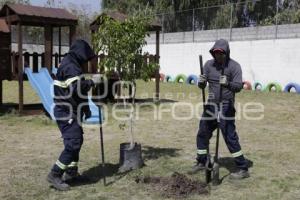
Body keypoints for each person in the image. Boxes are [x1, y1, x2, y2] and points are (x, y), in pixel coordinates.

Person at [190, 39, 249, 179]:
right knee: (202, 132)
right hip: (211, 104)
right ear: (213, 53)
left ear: (226, 53)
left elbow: (239, 87)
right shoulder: (209, 65)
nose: (218, 56)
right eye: (216, 53)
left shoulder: (234, 66)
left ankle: (243, 168)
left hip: (226, 104)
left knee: (229, 135)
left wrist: (228, 83)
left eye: (221, 53)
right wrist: (201, 82)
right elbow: (202, 86)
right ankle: (201, 160)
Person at [47, 39, 101, 190]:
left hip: (73, 110)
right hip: (66, 111)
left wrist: (86, 109)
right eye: (87, 58)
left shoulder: (74, 64)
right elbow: (77, 88)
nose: (87, 61)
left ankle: (71, 173)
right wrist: (92, 82)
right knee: (73, 143)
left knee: (76, 141)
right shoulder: (71, 66)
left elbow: (78, 93)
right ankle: (55, 174)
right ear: (81, 54)